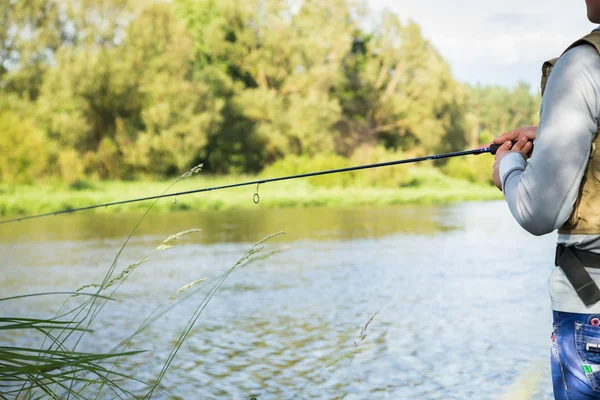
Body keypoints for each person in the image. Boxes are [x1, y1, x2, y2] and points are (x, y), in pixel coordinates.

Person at [492, 2, 600, 398]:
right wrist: (558, 134)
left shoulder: (584, 64)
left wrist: (508, 167)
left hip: (593, 304)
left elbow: (537, 211)